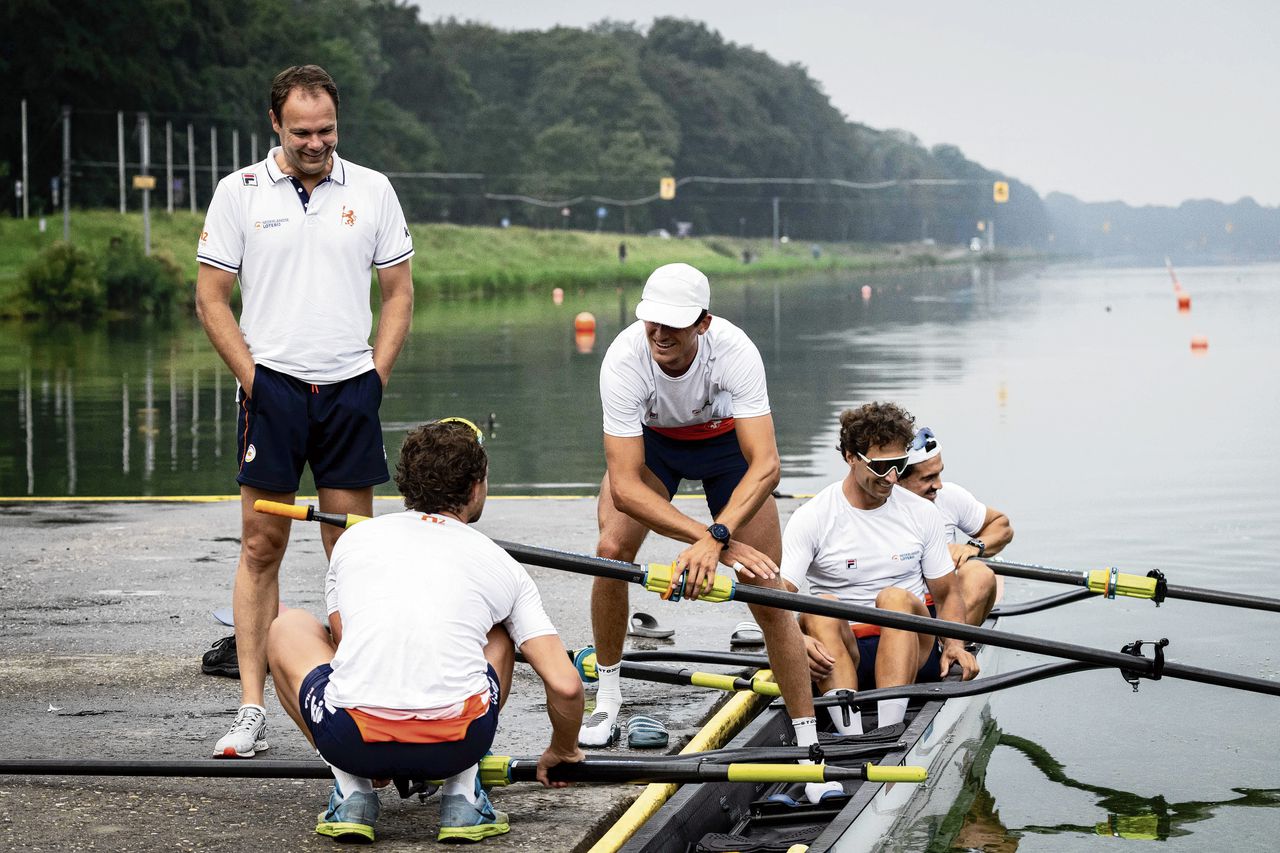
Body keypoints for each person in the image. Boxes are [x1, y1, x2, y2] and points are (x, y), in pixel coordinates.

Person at [195, 64, 415, 758]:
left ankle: (360, 694)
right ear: (275, 125)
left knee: (353, 552)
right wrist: (255, 379)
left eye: (326, 130)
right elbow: (211, 297)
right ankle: (252, 708)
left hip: (351, 387)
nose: (316, 143)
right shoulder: (240, 192)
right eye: (302, 132)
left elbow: (400, 293)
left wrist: (375, 377)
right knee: (261, 547)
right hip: (275, 390)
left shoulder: (374, 189)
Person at [266, 419, 584, 844]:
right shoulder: (504, 566)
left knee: (287, 626)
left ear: (406, 487)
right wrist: (563, 751)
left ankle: (353, 787)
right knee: (500, 634)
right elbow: (565, 686)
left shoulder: (354, 542)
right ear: (476, 487)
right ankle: (462, 794)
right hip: (456, 743)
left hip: (351, 738)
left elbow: (345, 641)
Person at [587, 262, 826, 796]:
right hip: (656, 449)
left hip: (726, 451)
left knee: (768, 589)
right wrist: (711, 537)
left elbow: (766, 465)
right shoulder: (624, 358)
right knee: (609, 550)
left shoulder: (735, 350)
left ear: (703, 322)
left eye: (675, 323)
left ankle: (808, 746)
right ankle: (606, 698)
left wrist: (717, 538)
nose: (660, 333)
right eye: (651, 320)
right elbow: (626, 487)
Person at [780, 402, 978, 743]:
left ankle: (888, 729)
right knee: (822, 605)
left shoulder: (920, 513)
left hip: (913, 648)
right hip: (843, 650)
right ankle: (851, 736)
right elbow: (779, 596)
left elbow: (947, 594)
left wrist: (956, 644)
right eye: (882, 466)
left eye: (899, 465)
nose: (891, 478)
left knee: (894, 598)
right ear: (850, 456)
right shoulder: (812, 517)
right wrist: (797, 641)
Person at [897, 426, 1013, 626]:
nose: (939, 485)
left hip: (946, 603)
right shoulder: (875, 508)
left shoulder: (948, 497)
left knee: (979, 574)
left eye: (939, 474)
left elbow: (1001, 526)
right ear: (897, 480)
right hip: (898, 610)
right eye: (928, 478)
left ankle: (954, 647)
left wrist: (973, 547)